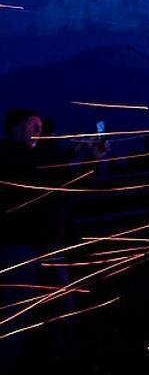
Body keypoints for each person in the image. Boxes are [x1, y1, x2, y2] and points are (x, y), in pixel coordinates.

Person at [0, 109, 72, 366]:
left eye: (39, 124)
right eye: (31, 124)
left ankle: (59, 358)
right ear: (14, 129)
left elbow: (67, 179)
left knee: (60, 306)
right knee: (16, 311)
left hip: (51, 245)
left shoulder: (44, 157)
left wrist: (92, 159)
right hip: (18, 246)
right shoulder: (8, 156)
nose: (37, 128)